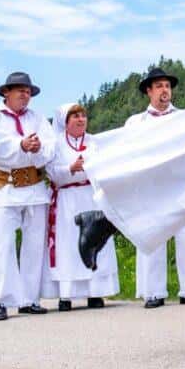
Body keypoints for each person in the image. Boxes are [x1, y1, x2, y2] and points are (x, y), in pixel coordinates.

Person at [0, 71, 56, 321]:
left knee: (34, 246)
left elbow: (50, 147)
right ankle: (1, 300)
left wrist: (38, 148)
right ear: (6, 92)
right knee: (4, 246)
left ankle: (29, 299)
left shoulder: (38, 119)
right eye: (20, 90)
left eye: (28, 91)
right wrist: (20, 145)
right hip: (5, 189)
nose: (25, 94)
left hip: (34, 188)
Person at [126, 68, 185, 309]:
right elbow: (129, 152)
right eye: (159, 86)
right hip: (152, 186)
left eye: (167, 86)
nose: (165, 90)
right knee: (152, 235)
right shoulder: (135, 123)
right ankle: (153, 291)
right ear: (149, 91)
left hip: (182, 183)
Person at [43, 103, 119, 311]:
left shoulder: (95, 142)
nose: (80, 119)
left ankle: (96, 293)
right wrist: (71, 168)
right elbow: (51, 173)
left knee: (96, 242)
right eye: (75, 116)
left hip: (92, 197)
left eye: (83, 115)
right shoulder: (56, 144)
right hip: (67, 200)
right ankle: (66, 295)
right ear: (65, 122)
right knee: (68, 246)